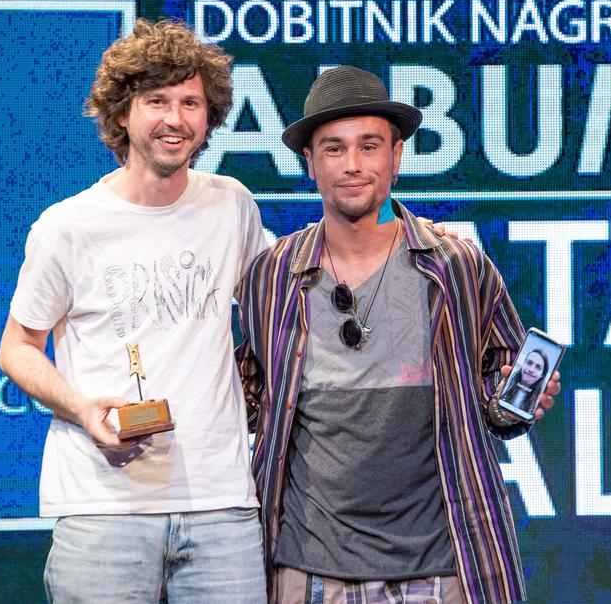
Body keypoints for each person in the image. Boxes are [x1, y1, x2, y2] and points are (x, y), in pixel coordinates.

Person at [236, 66, 561, 604]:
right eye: (334, 149)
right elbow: (250, 399)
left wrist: (517, 400)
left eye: (369, 146)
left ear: (397, 157)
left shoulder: (456, 266)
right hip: (308, 570)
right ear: (309, 162)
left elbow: (498, 394)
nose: (353, 165)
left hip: (443, 567)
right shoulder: (273, 274)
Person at [0, 19, 267, 603]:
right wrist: (81, 407)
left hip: (221, 506)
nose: (176, 119)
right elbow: (17, 347)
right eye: (157, 101)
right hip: (103, 507)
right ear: (122, 114)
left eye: (191, 103)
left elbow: (286, 295)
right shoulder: (68, 226)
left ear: (209, 117)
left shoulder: (231, 205)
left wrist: (402, 233)